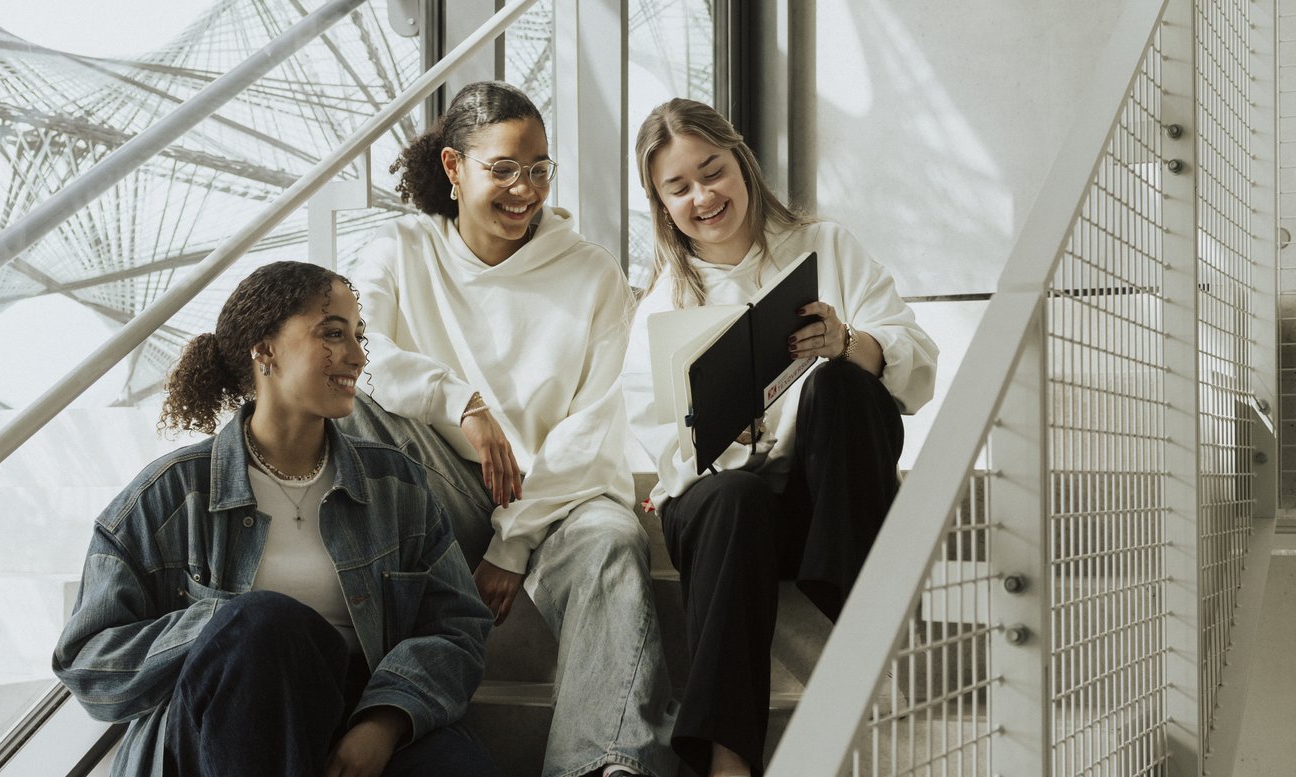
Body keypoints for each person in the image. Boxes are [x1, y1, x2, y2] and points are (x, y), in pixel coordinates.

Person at [335, 80, 673, 777]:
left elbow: (589, 429)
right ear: (455, 168)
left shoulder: (592, 274)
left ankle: (605, 764)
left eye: (540, 169)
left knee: (614, 540)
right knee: (356, 414)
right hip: (437, 490)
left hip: (555, 502)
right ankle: (350, 692)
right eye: (505, 169)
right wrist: (460, 400)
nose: (526, 189)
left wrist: (513, 541)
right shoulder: (399, 252)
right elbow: (357, 357)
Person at [52, 261, 500, 777]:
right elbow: (87, 661)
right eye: (333, 334)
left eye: (359, 337)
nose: (357, 356)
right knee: (264, 622)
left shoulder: (394, 485)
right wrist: (220, 626)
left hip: (362, 710)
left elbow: (458, 626)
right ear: (265, 349)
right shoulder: (172, 494)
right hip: (226, 730)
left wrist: (382, 722)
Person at [623, 98, 940, 777]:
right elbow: (665, 453)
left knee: (842, 382)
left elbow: (920, 365)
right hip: (728, 514)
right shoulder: (661, 305)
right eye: (679, 187)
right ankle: (727, 759)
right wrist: (722, 436)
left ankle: (855, 605)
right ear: (660, 202)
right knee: (732, 495)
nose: (703, 196)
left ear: (741, 161)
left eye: (713, 171)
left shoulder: (828, 247)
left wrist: (850, 341)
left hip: (824, 504)